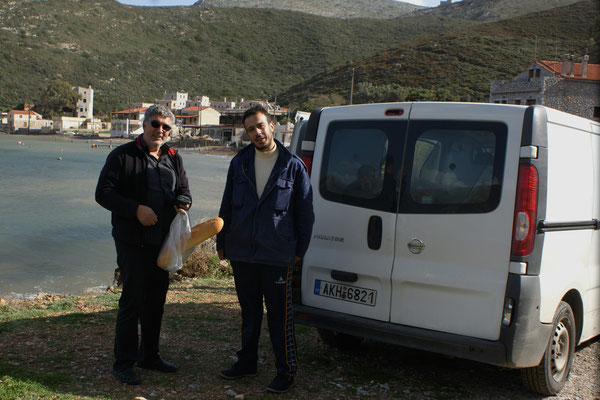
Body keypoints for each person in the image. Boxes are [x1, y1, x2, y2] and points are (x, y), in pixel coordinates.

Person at [217, 104, 314, 393]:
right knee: (249, 312)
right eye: (250, 129)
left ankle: (286, 371)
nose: (257, 133)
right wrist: (222, 242)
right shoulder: (240, 163)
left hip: (277, 254)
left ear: (272, 125)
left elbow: (305, 213)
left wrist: (300, 250)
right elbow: (226, 205)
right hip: (243, 252)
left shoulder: (293, 165)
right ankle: (247, 362)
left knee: (279, 316)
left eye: (261, 126)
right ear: (246, 133)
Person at [95, 104, 192, 385]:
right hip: (132, 242)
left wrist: (183, 202)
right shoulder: (122, 156)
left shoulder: (174, 157)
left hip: (163, 243)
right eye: (155, 124)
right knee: (132, 302)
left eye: (165, 127)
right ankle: (123, 363)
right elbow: (103, 193)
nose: (159, 130)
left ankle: (149, 355)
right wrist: (135, 208)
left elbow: (184, 189)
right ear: (144, 124)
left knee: (156, 302)